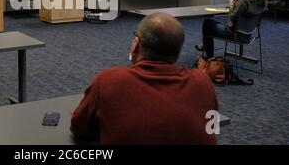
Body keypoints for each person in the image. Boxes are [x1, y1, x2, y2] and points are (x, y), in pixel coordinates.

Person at [71, 13, 218, 144]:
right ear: (178, 51)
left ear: (135, 44)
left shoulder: (109, 80)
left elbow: (79, 128)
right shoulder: (203, 81)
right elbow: (212, 128)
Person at [195, 0, 267, 58]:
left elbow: (232, 16)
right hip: (249, 34)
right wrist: (238, 3)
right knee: (209, 23)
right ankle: (206, 47)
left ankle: (209, 57)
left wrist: (232, 5)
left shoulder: (244, 0)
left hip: (236, 35)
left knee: (207, 23)